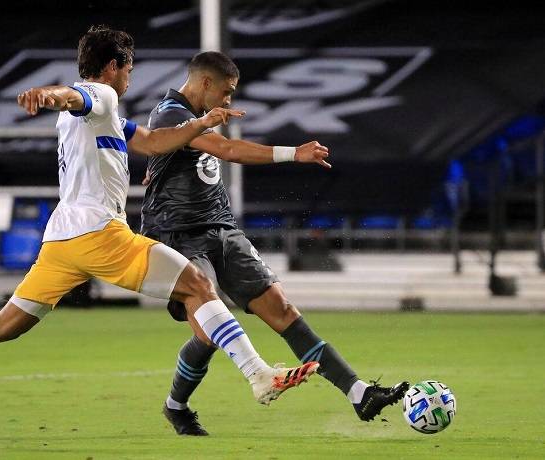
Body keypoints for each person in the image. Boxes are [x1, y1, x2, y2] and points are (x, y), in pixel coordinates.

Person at [0, 26, 318, 418]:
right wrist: (48, 95)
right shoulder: (100, 95)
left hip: (62, 239)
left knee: (7, 322)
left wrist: (202, 122)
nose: (130, 79)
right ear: (113, 67)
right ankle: (259, 374)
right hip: (98, 232)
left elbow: (153, 141)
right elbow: (73, 95)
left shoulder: (105, 115)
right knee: (198, 288)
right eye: (128, 70)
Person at [140, 51, 409, 436]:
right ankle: (176, 406)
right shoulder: (169, 114)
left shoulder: (204, 118)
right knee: (209, 332)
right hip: (177, 236)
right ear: (205, 84)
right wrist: (293, 154)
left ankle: (358, 392)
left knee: (281, 309)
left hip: (221, 229)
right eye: (228, 91)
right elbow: (228, 151)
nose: (230, 99)